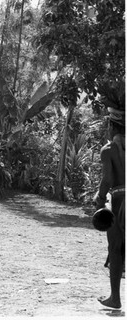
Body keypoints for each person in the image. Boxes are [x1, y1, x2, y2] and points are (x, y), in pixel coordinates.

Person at [95, 107, 125, 309]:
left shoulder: (109, 149)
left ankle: (115, 298)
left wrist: (99, 198)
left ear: (111, 125)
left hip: (120, 201)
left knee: (116, 249)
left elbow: (106, 180)